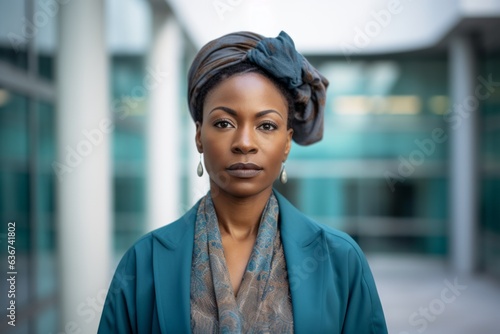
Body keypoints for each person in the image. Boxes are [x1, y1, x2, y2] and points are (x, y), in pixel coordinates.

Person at [98, 30, 388, 333]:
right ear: (199, 136)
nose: (245, 143)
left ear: (287, 143)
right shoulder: (144, 262)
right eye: (224, 123)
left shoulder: (340, 260)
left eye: (266, 125)